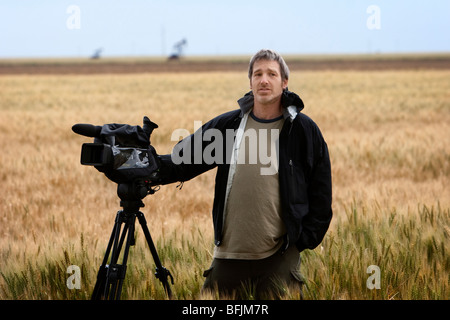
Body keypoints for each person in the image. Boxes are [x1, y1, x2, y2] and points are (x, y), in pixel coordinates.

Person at [155, 49, 333, 299]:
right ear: (250, 81)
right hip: (228, 256)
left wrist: (301, 241)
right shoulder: (228, 126)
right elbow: (181, 162)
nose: (264, 80)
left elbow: (321, 191)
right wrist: (141, 164)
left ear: (284, 82)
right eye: (257, 74)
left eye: (271, 74)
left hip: (278, 258)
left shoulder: (303, 130)